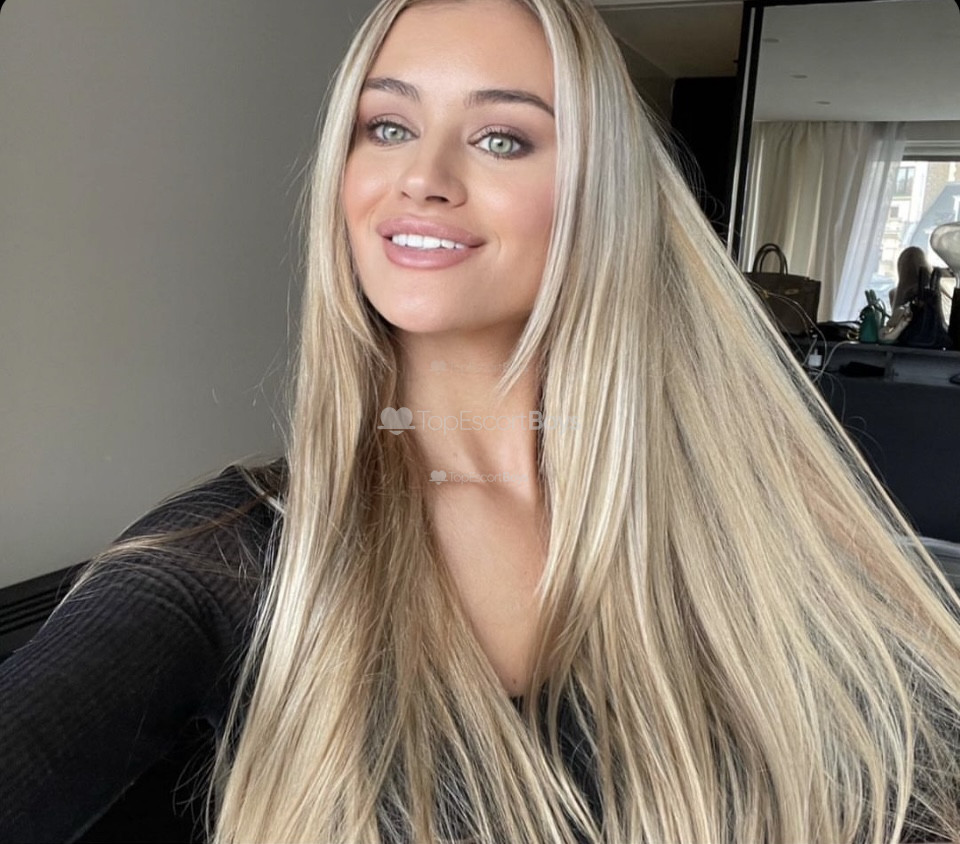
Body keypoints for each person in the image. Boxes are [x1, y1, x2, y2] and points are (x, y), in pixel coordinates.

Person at [3, 0, 960, 841]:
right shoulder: (229, 554)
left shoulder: (746, 517)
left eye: (502, 138)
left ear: (598, 193)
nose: (422, 176)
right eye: (386, 126)